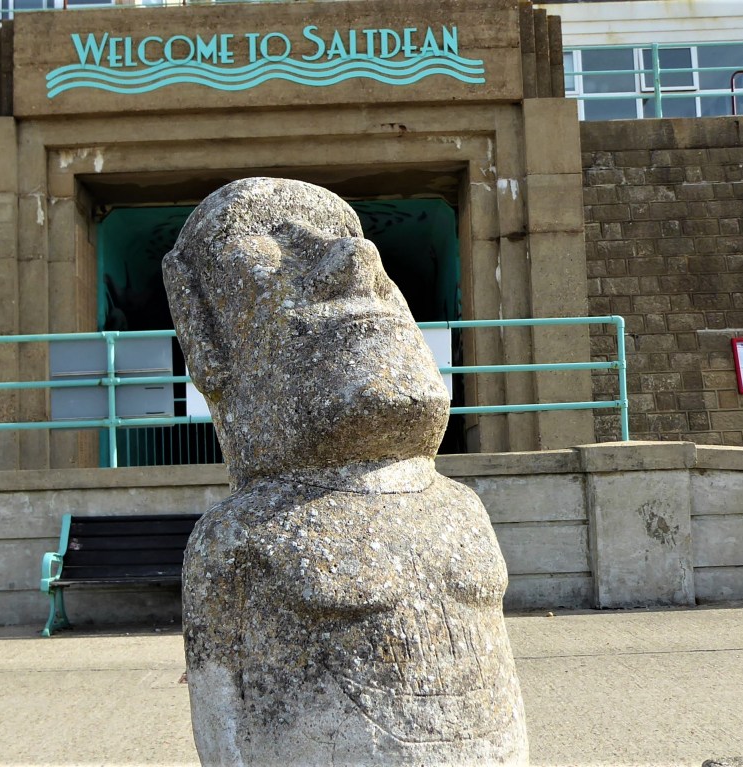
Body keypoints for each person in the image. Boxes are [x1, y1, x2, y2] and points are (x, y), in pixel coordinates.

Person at [163, 178, 528, 766]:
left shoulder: (460, 504)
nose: (356, 258)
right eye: (267, 236)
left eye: (348, 233)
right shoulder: (240, 537)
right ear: (200, 324)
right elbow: (222, 719)